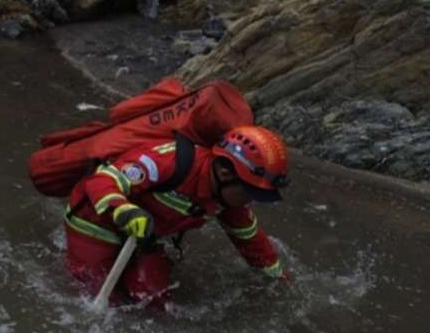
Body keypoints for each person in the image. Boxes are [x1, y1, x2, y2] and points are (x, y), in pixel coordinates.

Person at [64, 124, 291, 307]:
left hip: (144, 234)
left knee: (154, 304)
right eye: (250, 192)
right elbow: (103, 180)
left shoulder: (228, 198)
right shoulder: (168, 161)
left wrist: (278, 277)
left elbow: (248, 236)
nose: (250, 201)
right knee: (95, 294)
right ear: (224, 173)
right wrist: (123, 209)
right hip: (95, 222)